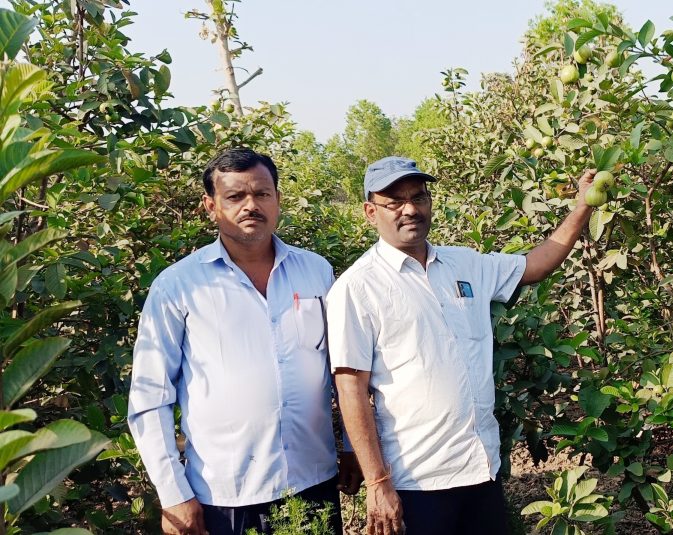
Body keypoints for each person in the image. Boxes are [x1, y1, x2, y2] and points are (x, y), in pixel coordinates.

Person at [327, 156, 598, 535]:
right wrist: (377, 482)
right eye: (395, 202)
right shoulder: (357, 288)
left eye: (418, 197)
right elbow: (350, 389)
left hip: (481, 469)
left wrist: (583, 205)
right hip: (416, 481)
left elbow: (537, 264)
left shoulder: (465, 264)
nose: (410, 209)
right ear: (371, 212)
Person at [128, 148, 361, 535]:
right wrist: (172, 494)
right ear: (211, 206)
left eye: (262, 194)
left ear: (277, 199)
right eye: (235, 196)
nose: (251, 205)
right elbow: (150, 397)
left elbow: (342, 368)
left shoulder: (316, 271)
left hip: (313, 481)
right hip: (227, 495)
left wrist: (353, 448)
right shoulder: (178, 286)